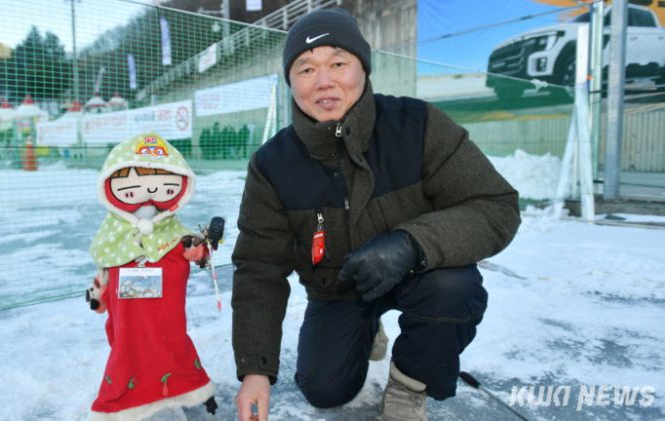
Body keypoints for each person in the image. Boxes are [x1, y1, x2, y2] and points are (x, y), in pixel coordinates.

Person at [231, 8, 521, 421]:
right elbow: (258, 266)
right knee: (323, 388)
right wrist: (255, 369)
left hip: (419, 275)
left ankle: (410, 382)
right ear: (290, 81)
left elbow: (495, 205)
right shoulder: (272, 164)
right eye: (306, 68)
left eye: (338, 63)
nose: (324, 80)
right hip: (338, 288)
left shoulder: (418, 126)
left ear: (363, 68)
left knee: (454, 287)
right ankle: (367, 329)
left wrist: (412, 243)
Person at [86, 132, 218, 420]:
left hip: (167, 318)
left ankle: (187, 389)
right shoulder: (112, 238)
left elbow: (193, 250)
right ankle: (121, 401)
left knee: (174, 348)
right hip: (129, 323)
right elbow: (104, 267)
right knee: (127, 352)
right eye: (133, 188)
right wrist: (97, 295)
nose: (147, 196)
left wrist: (202, 248)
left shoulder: (174, 233)